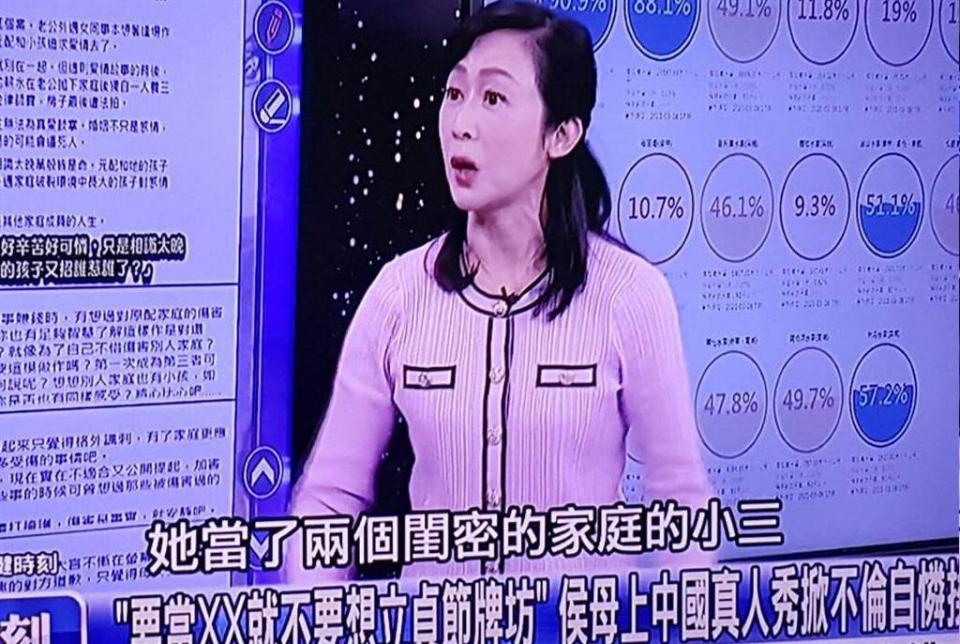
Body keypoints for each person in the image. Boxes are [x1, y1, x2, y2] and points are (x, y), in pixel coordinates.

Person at [287, 0, 713, 582]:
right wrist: (318, 610)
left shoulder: (630, 295)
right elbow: (329, 499)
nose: (461, 123)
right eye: (454, 93)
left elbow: (680, 500)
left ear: (561, 134)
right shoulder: (398, 294)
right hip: (438, 618)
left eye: (493, 98)